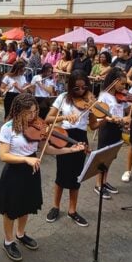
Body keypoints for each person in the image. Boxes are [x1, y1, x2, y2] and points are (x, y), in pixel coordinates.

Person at [0, 93, 86, 261]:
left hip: (32, 170)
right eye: (29, 112)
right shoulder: (8, 128)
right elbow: (4, 155)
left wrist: (70, 150)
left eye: (35, 111)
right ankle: (8, 241)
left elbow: (49, 149)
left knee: (26, 205)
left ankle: (21, 234)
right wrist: (25, 158)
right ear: (18, 111)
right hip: (15, 172)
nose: (33, 116)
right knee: (10, 210)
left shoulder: (38, 126)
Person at [44, 70, 98, 227]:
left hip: (81, 139)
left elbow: (93, 125)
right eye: (77, 88)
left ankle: (72, 210)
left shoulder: (90, 101)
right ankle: (55, 206)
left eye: (84, 87)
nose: (81, 91)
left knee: (77, 177)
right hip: (63, 137)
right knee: (61, 174)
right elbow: (48, 119)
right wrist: (64, 117)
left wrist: (107, 119)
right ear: (70, 87)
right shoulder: (62, 98)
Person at [93, 68, 129, 199]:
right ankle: (98, 184)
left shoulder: (119, 96)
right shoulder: (104, 96)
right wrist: (114, 118)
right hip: (107, 129)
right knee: (103, 158)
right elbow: (100, 115)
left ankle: (104, 181)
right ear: (114, 82)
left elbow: (126, 109)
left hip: (117, 129)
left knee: (110, 158)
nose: (124, 87)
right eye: (122, 84)